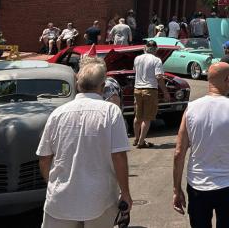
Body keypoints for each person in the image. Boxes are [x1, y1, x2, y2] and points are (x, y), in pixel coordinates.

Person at [37, 63, 132, 227]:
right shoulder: (110, 112)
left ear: (77, 84)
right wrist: (125, 193)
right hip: (99, 198)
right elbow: (118, 156)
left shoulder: (58, 114)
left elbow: (45, 159)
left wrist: (52, 184)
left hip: (61, 199)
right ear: (102, 86)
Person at [172, 62, 229, 228]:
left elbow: (179, 153)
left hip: (197, 186)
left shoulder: (191, 109)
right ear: (227, 79)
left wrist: (177, 189)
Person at [133, 40, 169, 148]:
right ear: (156, 49)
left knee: (137, 117)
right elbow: (158, 77)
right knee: (147, 118)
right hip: (150, 89)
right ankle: (141, 142)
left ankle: (136, 138)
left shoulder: (137, 58)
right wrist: (165, 92)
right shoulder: (156, 60)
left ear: (145, 48)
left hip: (137, 89)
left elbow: (136, 71)